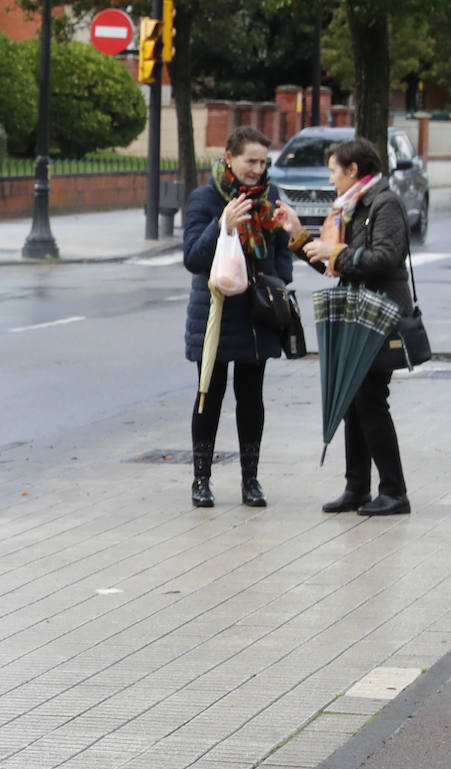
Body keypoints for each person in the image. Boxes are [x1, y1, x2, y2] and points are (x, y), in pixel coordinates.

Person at [276, 138, 413, 516]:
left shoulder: (385, 204)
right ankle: (357, 488)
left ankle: (394, 492)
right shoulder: (350, 207)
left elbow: (385, 258)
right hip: (358, 314)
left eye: (334, 170)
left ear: (353, 171)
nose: (331, 178)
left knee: (370, 401)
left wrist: (336, 252)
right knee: (353, 400)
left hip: (380, 314)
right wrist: (300, 236)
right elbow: (335, 265)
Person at [182, 125, 295, 508]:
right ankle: (201, 480)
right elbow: (193, 259)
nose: (257, 170)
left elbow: (282, 248)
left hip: (256, 311)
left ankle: (251, 480)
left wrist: (279, 279)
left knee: (251, 397)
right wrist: (222, 226)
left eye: (263, 163)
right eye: (250, 161)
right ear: (229, 158)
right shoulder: (205, 199)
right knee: (208, 395)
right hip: (215, 311)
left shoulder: (271, 197)